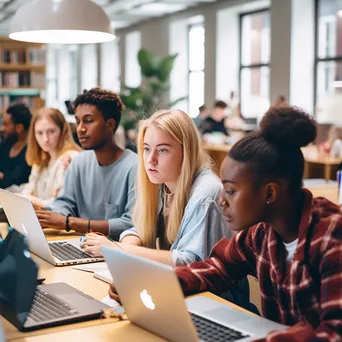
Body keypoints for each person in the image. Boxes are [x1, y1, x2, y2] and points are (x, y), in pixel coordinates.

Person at [165, 106, 341, 340]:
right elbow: (219, 267)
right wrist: (163, 284)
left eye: (230, 191)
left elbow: (334, 333)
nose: (221, 200)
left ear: (269, 193)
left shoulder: (331, 237)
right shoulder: (260, 234)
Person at [81, 109, 232, 266]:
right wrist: (124, 248)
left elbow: (190, 262)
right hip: (174, 284)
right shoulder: (163, 183)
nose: (150, 160)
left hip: (211, 291)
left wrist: (118, 250)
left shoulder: (206, 193)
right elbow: (140, 229)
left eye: (162, 150)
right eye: (146, 149)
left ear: (186, 151)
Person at [36, 88, 138, 240]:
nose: (80, 129)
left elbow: (131, 223)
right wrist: (44, 215)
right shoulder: (79, 162)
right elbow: (65, 203)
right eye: (78, 121)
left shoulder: (135, 167)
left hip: (116, 253)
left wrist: (69, 223)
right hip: (81, 246)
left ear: (110, 124)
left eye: (88, 121)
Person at [20, 108, 82, 209]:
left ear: (62, 131)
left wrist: (29, 199)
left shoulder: (70, 158)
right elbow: (29, 190)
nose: (45, 139)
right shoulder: (40, 161)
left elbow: (62, 205)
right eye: (39, 133)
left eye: (51, 131)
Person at [0, 104, 32, 189]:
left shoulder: (31, 150)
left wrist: (3, 176)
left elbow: (18, 179)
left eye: (6, 125)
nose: (2, 128)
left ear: (19, 127)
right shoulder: (6, 143)